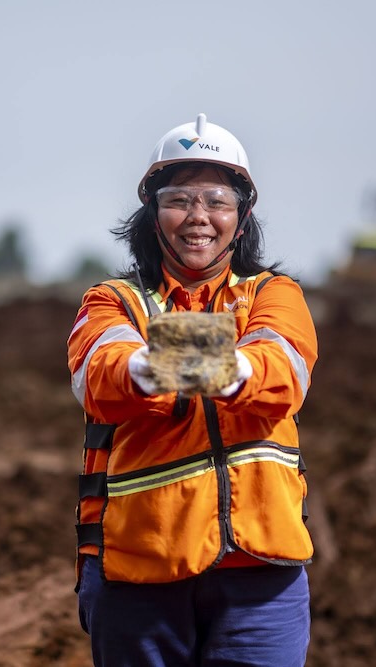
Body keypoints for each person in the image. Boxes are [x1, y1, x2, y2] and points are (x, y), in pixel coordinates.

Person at [67, 113, 319, 666]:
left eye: (217, 201)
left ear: (242, 215)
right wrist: (215, 361)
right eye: (179, 199)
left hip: (261, 580)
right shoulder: (113, 301)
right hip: (140, 570)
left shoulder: (275, 294)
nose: (198, 217)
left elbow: (281, 372)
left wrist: (169, 359)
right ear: (153, 213)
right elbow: (101, 374)